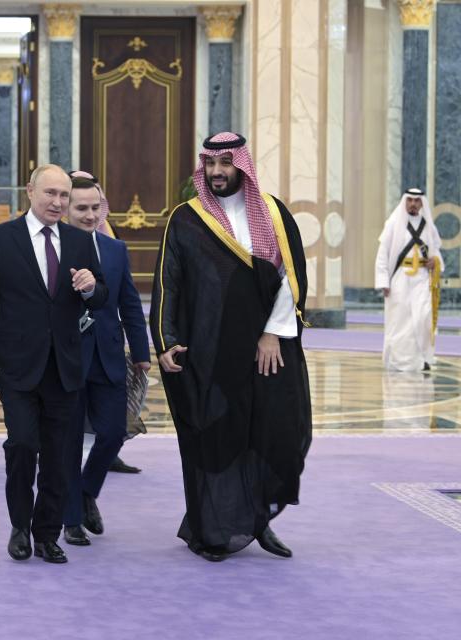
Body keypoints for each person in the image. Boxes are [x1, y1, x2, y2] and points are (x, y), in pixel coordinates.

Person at [150, 132, 312, 562]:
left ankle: (259, 522)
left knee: (275, 434)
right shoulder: (186, 218)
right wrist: (166, 340)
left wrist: (272, 332)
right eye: (210, 164)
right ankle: (212, 529)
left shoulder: (275, 214)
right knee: (216, 440)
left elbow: (290, 280)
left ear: (242, 165)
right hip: (210, 353)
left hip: (267, 352)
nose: (218, 172)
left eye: (226, 163)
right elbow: (169, 282)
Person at [0, 164, 107, 564]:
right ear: (30, 191)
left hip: (65, 367)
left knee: (61, 455)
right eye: (51, 194)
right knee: (24, 445)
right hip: (17, 367)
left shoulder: (80, 242)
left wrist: (93, 288)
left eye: (64, 195)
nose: (58, 202)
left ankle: (47, 535)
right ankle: (20, 526)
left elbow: (101, 295)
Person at [61, 172, 150, 547]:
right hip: (67, 358)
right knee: (66, 441)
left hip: (109, 356)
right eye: (81, 208)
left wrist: (142, 353)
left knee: (113, 433)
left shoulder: (115, 250)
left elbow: (129, 301)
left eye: (95, 207)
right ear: (65, 209)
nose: (90, 215)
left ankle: (86, 491)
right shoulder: (52, 249)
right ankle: (71, 518)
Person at [375, 188, 442, 372]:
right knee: (400, 321)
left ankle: (423, 357)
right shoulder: (393, 223)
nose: (413, 204)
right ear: (405, 201)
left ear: (421, 203)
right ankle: (401, 361)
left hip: (422, 279)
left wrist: (434, 261)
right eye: (410, 200)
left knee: (424, 317)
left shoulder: (428, 226)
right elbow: (383, 254)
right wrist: (383, 281)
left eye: (416, 200)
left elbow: (436, 251)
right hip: (399, 279)